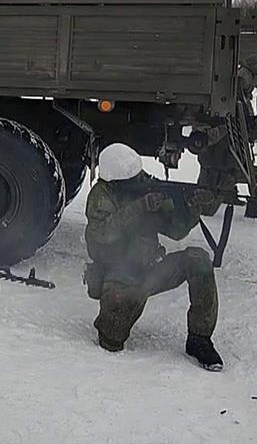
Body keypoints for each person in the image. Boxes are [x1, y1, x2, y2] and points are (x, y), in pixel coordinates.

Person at [84, 144, 223, 371]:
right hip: (117, 274)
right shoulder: (102, 195)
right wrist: (140, 207)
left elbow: (176, 231)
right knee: (111, 339)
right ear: (115, 181)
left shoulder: (144, 187)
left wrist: (191, 208)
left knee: (199, 260)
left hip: (150, 270)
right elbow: (103, 235)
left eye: (139, 175)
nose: (140, 180)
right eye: (133, 178)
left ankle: (200, 339)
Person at [194, 120, 257, 221]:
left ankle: (252, 208)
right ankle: (228, 194)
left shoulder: (240, 114)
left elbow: (251, 136)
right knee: (207, 210)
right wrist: (228, 127)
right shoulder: (208, 119)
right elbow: (201, 143)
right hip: (214, 173)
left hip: (236, 171)